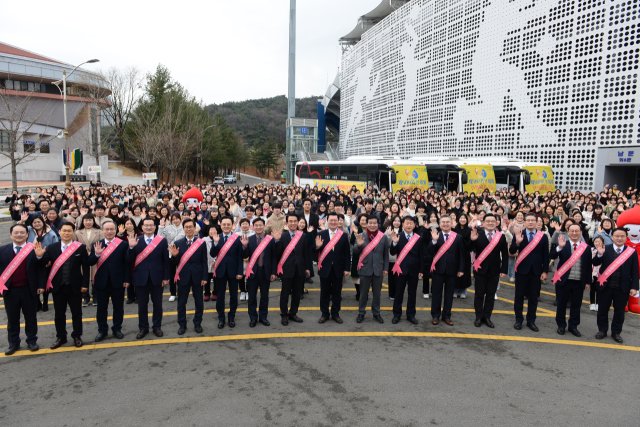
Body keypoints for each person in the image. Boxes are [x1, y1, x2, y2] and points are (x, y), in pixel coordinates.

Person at [41, 222, 89, 349]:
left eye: (69, 231)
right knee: (59, 314)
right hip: (58, 286)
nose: (66, 233)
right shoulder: (52, 247)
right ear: (59, 232)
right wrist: (39, 256)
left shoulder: (80, 248)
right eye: (64, 231)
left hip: (75, 285)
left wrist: (85, 284)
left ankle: (77, 336)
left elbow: (85, 267)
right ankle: (61, 337)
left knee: (77, 313)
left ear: (73, 232)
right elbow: (43, 263)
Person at [0, 223, 45, 355]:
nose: (19, 235)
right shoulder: (3, 250)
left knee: (31, 317)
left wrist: (41, 285)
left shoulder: (33, 249)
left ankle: (31, 340)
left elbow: (40, 269)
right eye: (16, 232)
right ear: (10, 234)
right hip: (10, 290)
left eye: (22, 232)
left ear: (27, 234)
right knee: (12, 318)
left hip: (29, 289)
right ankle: (13, 343)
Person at [592, 227, 640, 343]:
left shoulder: (631, 252)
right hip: (605, 286)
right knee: (602, 310)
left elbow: (635, 271)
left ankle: (616, 332)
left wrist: (634, 287)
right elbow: (595, 263)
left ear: (626, 237)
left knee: (619, 312)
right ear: (612, 237)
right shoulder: (605, 249)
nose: (619, 238)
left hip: (622, 287)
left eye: (622, 236)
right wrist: (599, 255)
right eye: (617, 236)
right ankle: (602, 330)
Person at [87, 221, 131, 342]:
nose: (109, 231)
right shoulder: (97, 244)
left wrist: (127, 279)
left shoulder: (122, 244)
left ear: (116, 230)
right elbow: (90, 262)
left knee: (118, 307)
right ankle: (102, 330)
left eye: (112, 229)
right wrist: (96, 254)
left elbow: (127, 263)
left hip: (118, 281)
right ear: (102, 230)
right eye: (106, 229)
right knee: (101, 308)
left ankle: (117, 328)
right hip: (101, 281)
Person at [126, 218, 170, 339]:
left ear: (155, 227)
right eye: (146, 225)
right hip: (140, 278)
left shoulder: (161, 241)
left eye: (151, 225)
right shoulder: (136, 240)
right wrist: (130, 247)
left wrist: (166, 277)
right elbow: (128, 260)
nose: (149, 227)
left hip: (157, 277)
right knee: (142, 306)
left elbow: (165, 261)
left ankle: (157, 327)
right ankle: (143, 328)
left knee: (158, 305)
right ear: (142, 227)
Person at [549, 224, 593, 337]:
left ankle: (573, 326)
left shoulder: (586, 248)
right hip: (564, 280)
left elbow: (588, 266)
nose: (574, 233)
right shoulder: (563, 244)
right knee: (561, 304)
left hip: (579, 281)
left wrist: (588, 281)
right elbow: (552, 255)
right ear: (568, 232)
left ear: (581, 232)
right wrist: (559, 247)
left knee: (576, 305)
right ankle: (561, 325)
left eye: (576, 231)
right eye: (572, 231)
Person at [509, 213, 550, 332]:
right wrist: (517, 243)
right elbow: (512, 250)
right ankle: (519, 320)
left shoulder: (542, 236)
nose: (531, 222)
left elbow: (545, 255)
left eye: (533, 220)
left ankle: (531, 320)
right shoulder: (519, 234)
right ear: (525, 222)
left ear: (537, 222)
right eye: (528, 220)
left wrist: (545, 271)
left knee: (533, 297)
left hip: (536, 271)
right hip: (522, 270)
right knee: (519, 296)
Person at [169, 218, 208, 335]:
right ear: (183, 229)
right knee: (181, 303)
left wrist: (205, 277)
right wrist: (174, 256)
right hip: (183, 277)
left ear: (195, 228)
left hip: (197, 277)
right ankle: (182, 324)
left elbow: (204, 262)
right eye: (186, 227)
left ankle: (197, 323)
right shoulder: (178, 243)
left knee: (199, 302)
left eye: (191, 226)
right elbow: (174, 263)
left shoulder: (201, 242)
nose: (189, 229)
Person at [469, 214, 509, 328]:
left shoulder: (500, 236)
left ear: (496, 223)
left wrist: (504, 270)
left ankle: (487, 317)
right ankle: (478, 317)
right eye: (488, 221)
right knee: (479, 295)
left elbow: (505, 254)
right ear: (484, 222)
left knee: (490, 295)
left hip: (494, 270)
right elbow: (470, 248)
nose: (490, 223)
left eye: (493, 221)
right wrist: (472, 240)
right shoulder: (477, 234)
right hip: (480, 269)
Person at [313, 212, 351, 324]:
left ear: (339, 221)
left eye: (335, 220)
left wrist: (346, 268)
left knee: (337, 293)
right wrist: (317, 247)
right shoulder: (321, 234)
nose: (333, 222)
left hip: (338, 269)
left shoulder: (343, 235)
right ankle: (324, 314)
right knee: (324, 293)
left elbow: (347, 254)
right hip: (325, 268)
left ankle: (335, 314)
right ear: (327, 221)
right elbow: (314, 252)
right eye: (331, 220)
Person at [427, 215, 465, 326]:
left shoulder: (458, 237)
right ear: (439, 224)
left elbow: (461, 254)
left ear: (452, 223)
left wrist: (461, 269)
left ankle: (447, 315)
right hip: (438, 269)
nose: (445, 224)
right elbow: (429, 251)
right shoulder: (435, 235)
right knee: (436, 294)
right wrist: (433, 241)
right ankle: (435, 315)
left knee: (449, 294)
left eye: (448, 222)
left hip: (452, 270)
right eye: (443, 222)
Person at [272, 213, 309, 326]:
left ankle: (293, 313)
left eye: (295, 221)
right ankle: (284, 315)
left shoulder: (302, 236)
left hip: (299, 269)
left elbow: (306, 253)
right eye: (290, 221)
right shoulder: (282, 236)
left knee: (297, 293)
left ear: (298, 223)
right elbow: (277, 253)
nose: (293, 223)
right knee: (285, 293)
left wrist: (307, 268)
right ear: (287, 223)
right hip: (286, 269)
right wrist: (277, 241)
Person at [210, 216, 245, 329]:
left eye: (228, 224)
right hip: (220, 272)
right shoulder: (217, 237)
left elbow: (240, 257)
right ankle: (221, 318)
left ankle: (231, 317)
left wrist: (240, 272)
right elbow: (212, 254)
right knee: (220, 296)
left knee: (233, 296)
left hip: (233, 272)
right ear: (220, 225)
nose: (226, 226)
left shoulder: (237, 238)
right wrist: (215, 243)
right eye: (224, 224)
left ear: (232, 225)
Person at [353, 215, 389, 323]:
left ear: (377, 224)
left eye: (374, 223)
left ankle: (376, 313)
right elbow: (354, 251)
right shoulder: (360, 235)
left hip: (378, 269)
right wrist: (358, 246)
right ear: (366, 224)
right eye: (370, 223)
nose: (372, 225)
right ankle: (361, 313)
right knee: (363, 293)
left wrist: (386, 268)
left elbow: (385, 254)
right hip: (365, 268)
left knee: (377, 294)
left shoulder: (383, 237)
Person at [389, 216, 424, 324]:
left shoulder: (419, 238)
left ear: (414, 225)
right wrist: (394, 243)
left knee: (412, 294)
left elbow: (422, 255)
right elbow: (392, 253)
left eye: (411, 223)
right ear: (402, 224)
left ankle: (411, 315)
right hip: (400, 269)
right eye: (406, 223)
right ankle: (397, 314)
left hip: (414, 269)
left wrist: (421, 269)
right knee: (398, 293)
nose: (409, 225)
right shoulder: (398, 236)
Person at [242, 217, 275, 327]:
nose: (258, 227)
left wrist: (273, 272)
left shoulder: (270, 240)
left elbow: (274, 258)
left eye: (260, 225)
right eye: (256, 225)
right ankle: (253, 318)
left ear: (264, 226)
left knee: (264, 296)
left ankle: (263, 317)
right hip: (252, 272)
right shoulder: (249, 239)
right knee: (252, 297)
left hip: (265, 272)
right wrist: (245, 246)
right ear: (253, 227)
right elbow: (245, 256)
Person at [73, 214, 104, 307]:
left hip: (95, 256)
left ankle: (95, 296)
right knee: (83, 277)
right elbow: (74, 245)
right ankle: (85, 297)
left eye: (90, 220)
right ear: (82, 221)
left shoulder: (99, 231)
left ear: (93, 221)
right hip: (82, 258)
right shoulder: (78, 232)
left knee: (95, 277)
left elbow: (102, 243)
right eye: (86, 220)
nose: (88, 222)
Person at [158, 213, 185, 302]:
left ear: (180, 218)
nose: (175, 221)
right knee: (172, 274)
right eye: (173, 219)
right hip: (170, 254)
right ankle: (173, 293)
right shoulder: (168, 228)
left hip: (183, 255)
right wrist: (161, 227)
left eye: (177, 218)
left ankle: (182, 292)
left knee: (182, 274)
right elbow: (160, 238)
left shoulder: (184, 227)